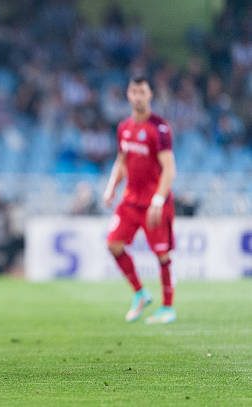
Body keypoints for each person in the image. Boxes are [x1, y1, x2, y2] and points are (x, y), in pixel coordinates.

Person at [103, 76, 177, 324]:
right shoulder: (123, 127)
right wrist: (111, 187)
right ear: (128, 94)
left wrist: (158, 199)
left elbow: (169, 169)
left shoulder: (160, 128)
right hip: (130, 201)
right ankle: (140, 292)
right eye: (134, 91)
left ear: (150, 95)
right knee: (113, 244)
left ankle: (168, 308)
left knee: (162, 255)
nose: (138, 96)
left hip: (155, 204)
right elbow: (122, 161)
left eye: (142, 91)